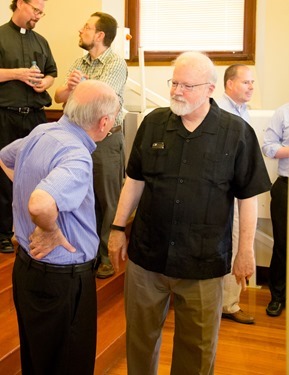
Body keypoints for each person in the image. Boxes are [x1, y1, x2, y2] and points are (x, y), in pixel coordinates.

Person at [108, 52, 271, 375]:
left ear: (210, 88)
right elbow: (134, 181)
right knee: (139, 342)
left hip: (203, 263)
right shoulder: (153, 124)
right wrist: (116, 228)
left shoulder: (236, 132)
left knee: (196, 352)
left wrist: (245, 251)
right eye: (174, 83)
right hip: (147, 258)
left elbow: (247, 197)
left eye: (187, 85)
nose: (177, 91)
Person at [0, 80, 119, 375]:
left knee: (37, 361)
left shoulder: (44, 131)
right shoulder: (76, 156)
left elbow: (4, 156)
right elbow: (40, 204)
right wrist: (50, 229)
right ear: (104, 123)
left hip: (28, 270)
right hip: (61, 282)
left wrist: (27, 190)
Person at [54, 11, 127, 279]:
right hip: (77, 140)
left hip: (106, 140)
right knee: (83, 197)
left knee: (108, 200)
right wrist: (69, 88)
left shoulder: (116, 63)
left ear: (99, 35)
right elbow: (59, 96)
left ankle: (106, 256)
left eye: (86, 27)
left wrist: (78, 86)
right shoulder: (79, 61)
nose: (80, 30)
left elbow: (100, 98)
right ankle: (87, 251)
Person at [0, 0, 57, 253]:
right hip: (5, 116)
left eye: (42, 12)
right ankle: (2, 232)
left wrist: (45, 82)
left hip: (35, 118)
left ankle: (34, 228)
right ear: (20, 4)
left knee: (37, 173)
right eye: (36, 10)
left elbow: (52, 72)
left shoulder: (41, 42)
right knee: (3, 176)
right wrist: (18, 74)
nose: (39, 16)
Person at [217, 64, 255, 324]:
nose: (251, 87)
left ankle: (228, 303)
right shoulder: (219, 111)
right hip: (224, 190)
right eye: (246, 82)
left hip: (240, 187)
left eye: (252, 83)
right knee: (229, 241)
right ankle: (226, 304)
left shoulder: (243, 111)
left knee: (237, 240)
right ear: (230, 84)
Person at [262, 103, 289, 317]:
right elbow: (268, 147)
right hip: (286, 186)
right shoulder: (283, 112)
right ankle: (278, 297)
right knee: (282, 243)